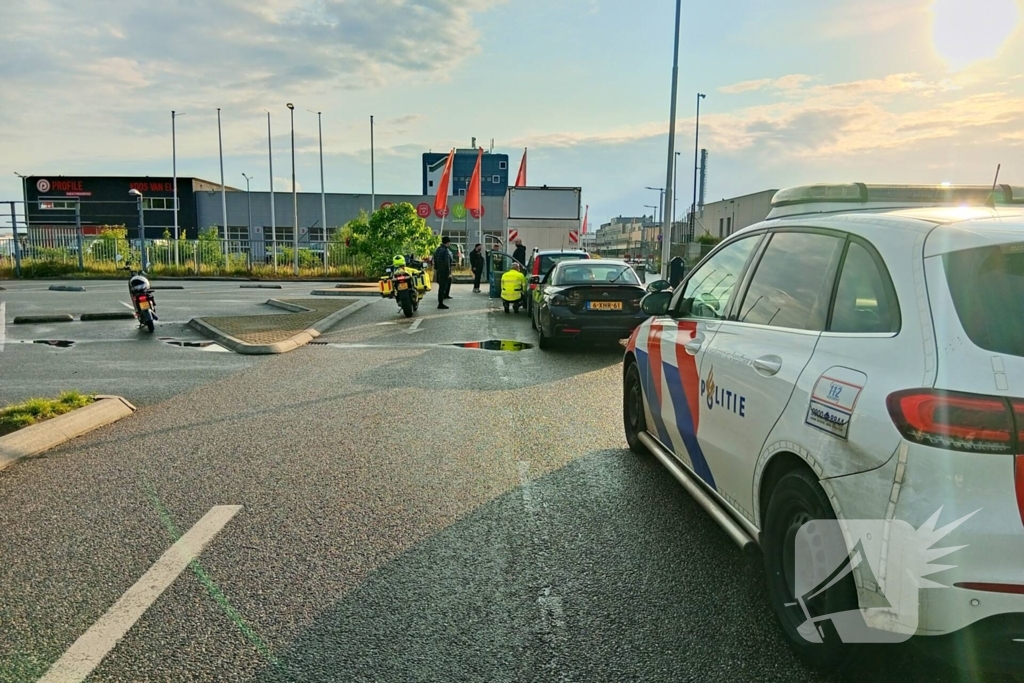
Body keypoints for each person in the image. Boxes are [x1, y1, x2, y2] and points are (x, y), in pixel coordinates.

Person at [433, 235, 454, 309]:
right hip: (444, 271)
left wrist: (436, 269)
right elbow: (447, 262)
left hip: (439, 270)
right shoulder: (446, 250)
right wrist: (448, 273)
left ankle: (440, 302)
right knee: (443, 287)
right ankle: (440, 303)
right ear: (448, 242)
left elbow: (435, 260)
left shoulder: (438, 249)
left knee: (441, 287)